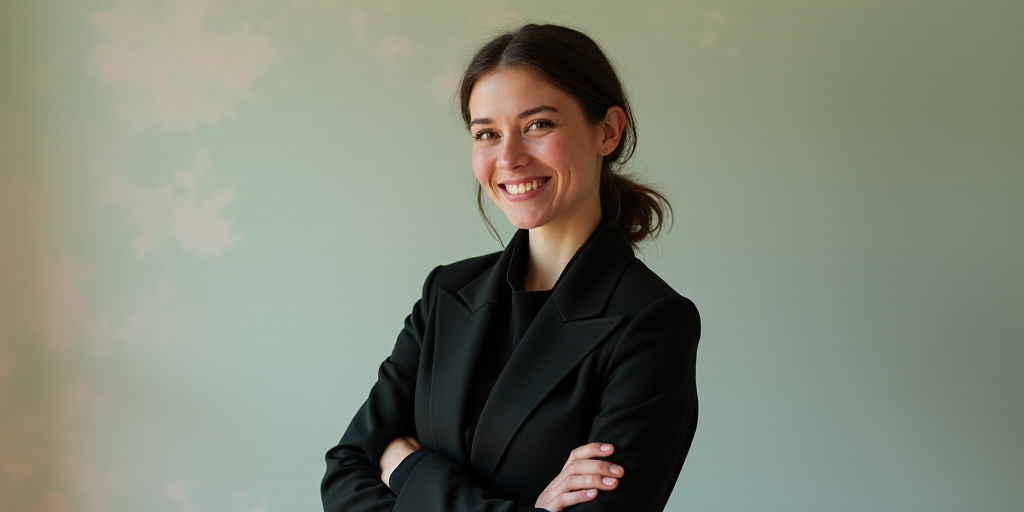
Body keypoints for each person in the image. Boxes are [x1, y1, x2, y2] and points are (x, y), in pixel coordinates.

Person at [321, 23, 701, 512]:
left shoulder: (652, 322)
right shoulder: (446, 292)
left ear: (607, 131)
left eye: (538, 125)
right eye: (487, 133)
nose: (510, 157)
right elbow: (345, 475)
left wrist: (410, 469)